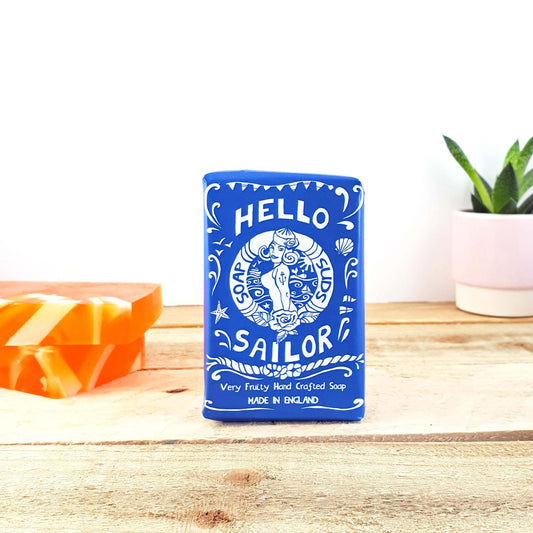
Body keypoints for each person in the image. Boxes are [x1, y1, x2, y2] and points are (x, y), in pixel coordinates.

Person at [259, 229, 299, 313]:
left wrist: (286, 312)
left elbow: (285, 292)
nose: (274, 252)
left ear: (287, 252)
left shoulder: (282, 269)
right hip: (278, 310)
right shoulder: (277, 268)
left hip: (283, 310)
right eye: (272, 247)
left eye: (280, 249)